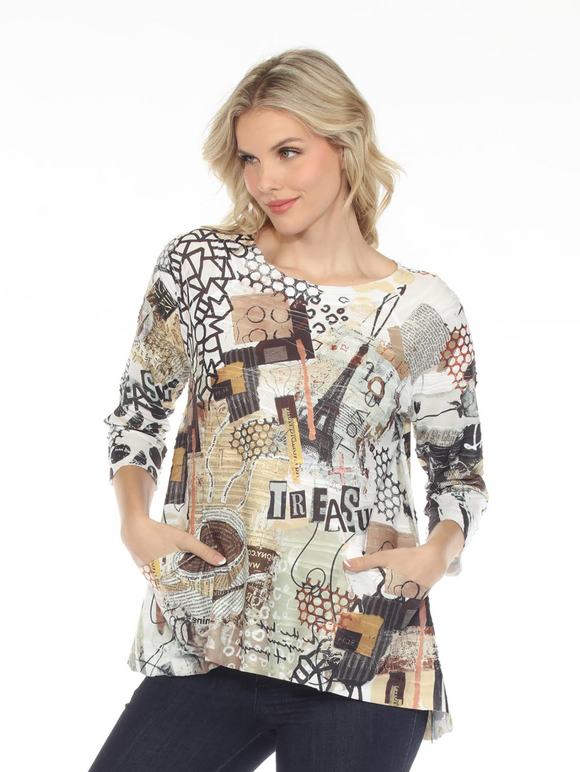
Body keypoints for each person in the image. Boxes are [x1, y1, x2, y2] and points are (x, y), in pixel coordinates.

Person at [90, 47, 489, 772]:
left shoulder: (423, 308)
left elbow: (458, 470)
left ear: (347, 145)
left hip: (364, 647)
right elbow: (139, 411)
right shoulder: (202, 267)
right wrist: (134, 522)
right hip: (212, 634)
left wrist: (436, 554)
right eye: (250, 159)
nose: (266, 180)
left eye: (288, 152)